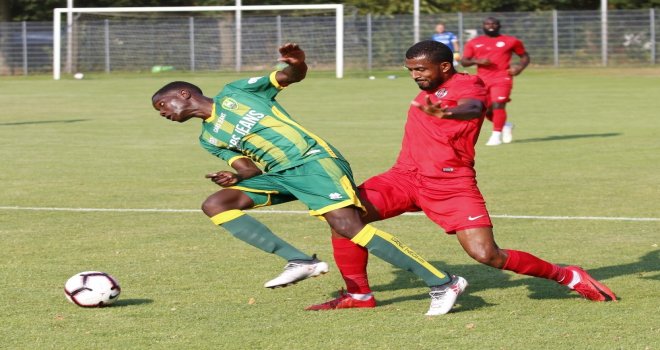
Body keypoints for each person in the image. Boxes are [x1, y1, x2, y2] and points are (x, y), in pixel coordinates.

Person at [151, 43, 467, 316]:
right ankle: (299, 260)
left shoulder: (236, 92)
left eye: (163, 105)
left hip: (312, 161)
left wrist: (297, 62)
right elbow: (249, 171)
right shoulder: (209, 138)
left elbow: (290, 75)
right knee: (217, 204)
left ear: (184, 93)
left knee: (347, 226)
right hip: (280, 175)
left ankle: (443, 282)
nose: (162, 113)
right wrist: (233, 177)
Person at [305, 40, 617, 312]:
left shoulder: (469, 85)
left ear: (444, 65)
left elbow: (472, 106)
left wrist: (449, 112)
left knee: (487, 254)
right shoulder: (429, 87)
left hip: (450, 183)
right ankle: (359, 295)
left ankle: (568, 275)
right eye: (411, 70)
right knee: (344, 217)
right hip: (404, 176)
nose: (415, 76)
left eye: (421, 70)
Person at [461, 17, 530, 146]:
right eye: (487, 24)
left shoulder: (511, 41)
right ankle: (505, 125)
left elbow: (524, 56)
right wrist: (477, 61)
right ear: (483, 26)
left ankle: (496, 136)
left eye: (494, 24)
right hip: (482, 80)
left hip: (503, 77)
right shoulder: (474, 42)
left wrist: (519, 68)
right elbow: (464, 61)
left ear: (499, 26)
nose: (491, 26)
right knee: (484, 110)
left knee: (498, 104)